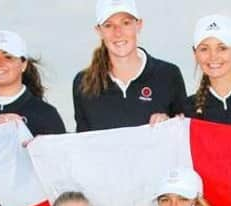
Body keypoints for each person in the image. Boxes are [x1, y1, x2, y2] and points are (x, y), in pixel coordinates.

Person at [72, 0, 186, 132]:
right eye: (109, 25)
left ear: (138, 25)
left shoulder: (169, 75)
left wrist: (169, 123)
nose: (118, 32)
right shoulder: (83, 83)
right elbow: (83, 143)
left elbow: (183, 136)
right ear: (99, 31)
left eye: (126, 23)